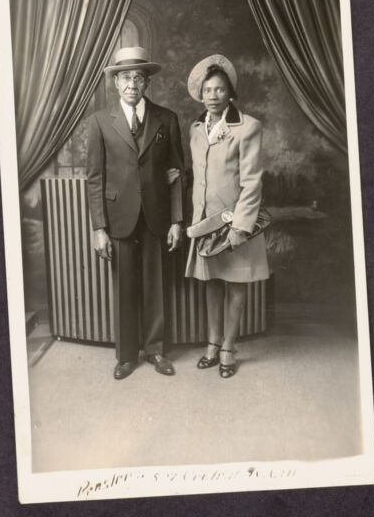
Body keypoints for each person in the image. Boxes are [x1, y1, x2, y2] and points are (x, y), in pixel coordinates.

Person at [86, 45, 185, 381]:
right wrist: (99, 227)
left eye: (138, 77)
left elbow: (176, 174)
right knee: (124, 287)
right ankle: (127, 356)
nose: (131, 84)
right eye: (125, 77)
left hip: (157, 215)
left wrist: (176, 220)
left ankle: (156, 351)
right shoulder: (99, 122)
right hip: (119, 218)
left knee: (156, 284)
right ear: (115, 83)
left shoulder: (166, 119)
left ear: (147, 83)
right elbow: (95, 178)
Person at [185, 54, 269, 378]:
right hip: (206, 224)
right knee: (212, 283)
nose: (213, 95)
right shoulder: (195, 129)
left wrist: (240, 226)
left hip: (235, 224)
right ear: (200, 94)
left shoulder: (247, 128)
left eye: (220, 90)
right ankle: (211, 343)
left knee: (235, 284)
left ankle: (228, 349)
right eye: (208, 90)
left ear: (230, 93)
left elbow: (252, 182)